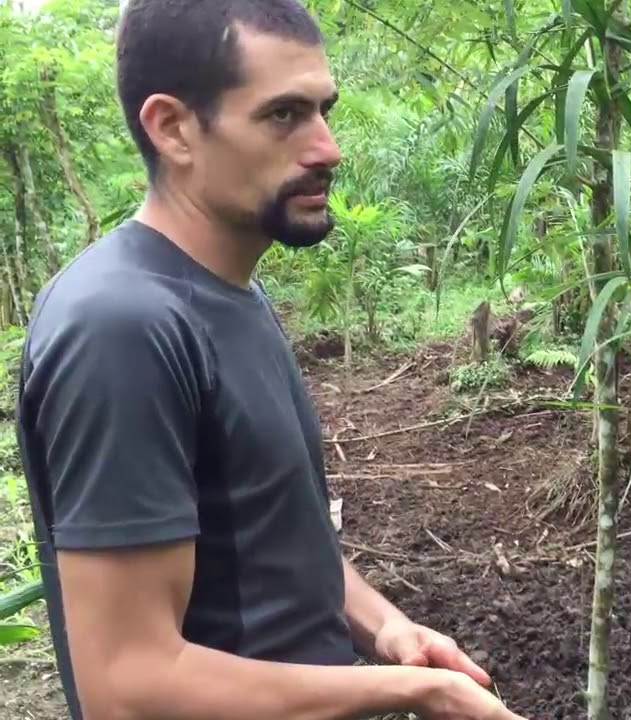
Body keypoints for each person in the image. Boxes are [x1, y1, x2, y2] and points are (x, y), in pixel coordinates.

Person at [14, 1, 527, 719]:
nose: (328, 147)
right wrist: (414, 690)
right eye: (284, 115)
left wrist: (387, 629)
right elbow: (127, 682)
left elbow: (266, 538)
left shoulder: (228, 291)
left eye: (324, 110)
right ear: (173, 128)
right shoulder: (121, 325)